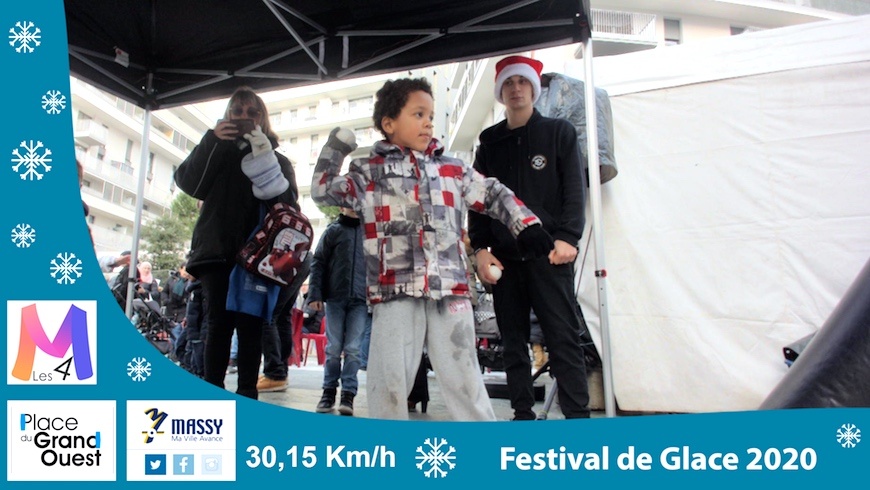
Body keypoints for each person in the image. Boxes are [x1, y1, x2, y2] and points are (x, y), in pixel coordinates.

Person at [311, 77, 554, 421]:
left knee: (464, 377)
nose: (428, 122)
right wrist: (338, 145)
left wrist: (525, 225)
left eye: (431, 114)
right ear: (389, 123)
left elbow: (494, 192)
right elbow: (322, 191)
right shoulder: (368, 172)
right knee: (389, 381)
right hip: (395, 290)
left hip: (450, 289)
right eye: (418, 114)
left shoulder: (452, 169)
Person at [468, 55, 591, 420]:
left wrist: (568, 236)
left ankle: (578, 417)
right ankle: (522, 413)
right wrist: (479, 249)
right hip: (505, 258)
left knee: (563, 337)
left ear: (534, 89)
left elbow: (575, 189)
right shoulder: (489, 141)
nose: (516, 89)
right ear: (500, 92)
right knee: (513, 342)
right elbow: (477, 199)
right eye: (508, 83)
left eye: (522, 82)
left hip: (549, 254)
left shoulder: (558, 132)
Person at [174, 86, 300, 399]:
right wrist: (212, 140)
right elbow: (189, 182)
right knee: (217, 324)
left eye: (251, 112)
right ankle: (214, 394)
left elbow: (288, 207)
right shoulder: (217, 151)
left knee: (251, 325)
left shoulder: (279, 160)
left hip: (260, 256)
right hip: (216, 251)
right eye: (237, 112)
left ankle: (247, 395)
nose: (244, 118)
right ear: (227, 116)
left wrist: (265, 160)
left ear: (263, 119)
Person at [308, 207, 368, 416]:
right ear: (342, 205)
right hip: (335, 298)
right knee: (333, 348)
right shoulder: (333, 230)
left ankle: (348, 394)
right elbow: (318, 263)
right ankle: (328, 392)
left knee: (353, 349)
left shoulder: (369, 232)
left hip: (361, 299)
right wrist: (314, 294)